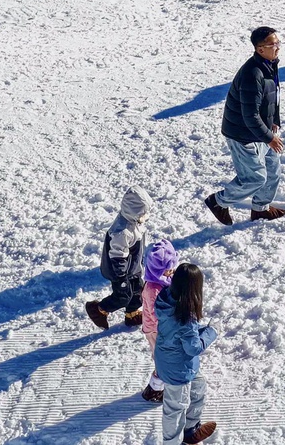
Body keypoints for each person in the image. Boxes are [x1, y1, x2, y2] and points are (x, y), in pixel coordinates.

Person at [205, 26, 285, 225]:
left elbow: (272, 96)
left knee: (272, 170)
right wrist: (269, 138)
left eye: (278, 43)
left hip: (260, 130)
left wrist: (274, 120)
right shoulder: (253, 74)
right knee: (254, 178)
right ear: (260, 49)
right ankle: (218, 201)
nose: (278, 47)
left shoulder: (269, 64)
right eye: (273, 44)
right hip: (243, 135)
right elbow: (250, 115)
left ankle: (260, 209)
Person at [154, 263, 219, 445]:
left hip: (171, 358)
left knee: (198, 387)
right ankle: (172, 442)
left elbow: (181, 333)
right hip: (178, 369)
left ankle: (190, 430)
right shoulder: (185, 317)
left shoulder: (166, 298)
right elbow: (193, 348)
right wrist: (211, 332)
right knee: (174, 409)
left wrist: (198, 330)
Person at [84, 187, 152, 331]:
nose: (144, 217)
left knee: (138, 292)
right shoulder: (122, 231)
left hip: (133, 268)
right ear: (133, 211)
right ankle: (99, 309)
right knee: (123, 296)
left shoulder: (133, 222)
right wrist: (121, 277)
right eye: (142, 213)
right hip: (120, 272)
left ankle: (132, 314)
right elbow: (118, 255)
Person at [140, 239, 179, 403]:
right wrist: (167, 330)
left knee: (165, 357)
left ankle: (162, 384)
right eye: (168, 270)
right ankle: (154, 390)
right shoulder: (152, 289)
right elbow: (156, 315)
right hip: (156, 330)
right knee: (161, 358)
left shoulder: (163, 281)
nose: (172, 272)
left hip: (164, 328)